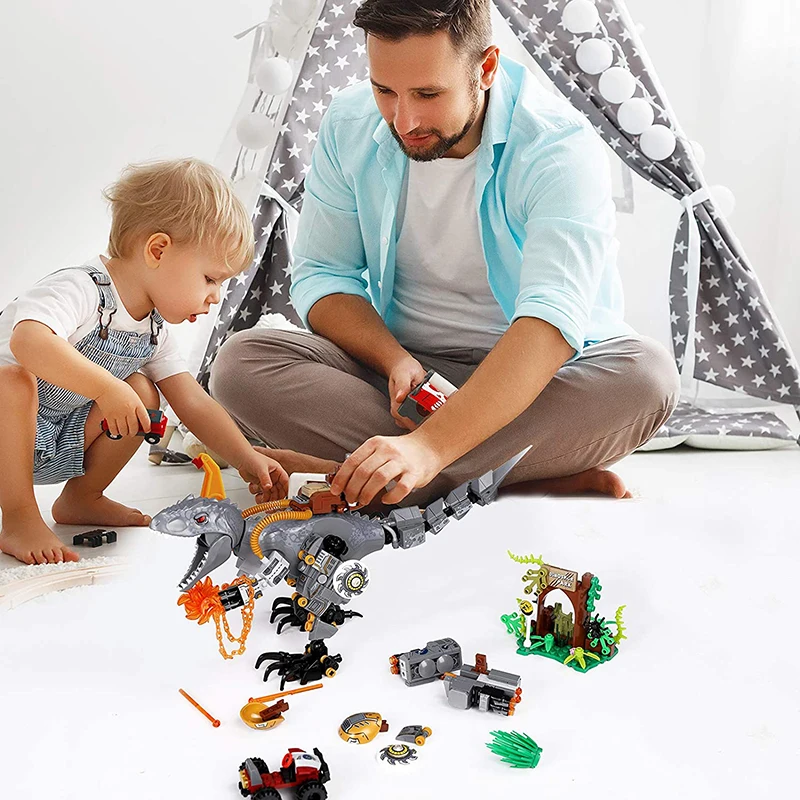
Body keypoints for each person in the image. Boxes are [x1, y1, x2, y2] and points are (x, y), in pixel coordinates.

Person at [210, 0, 680, 510]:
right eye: (384, 90)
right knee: (241, 363)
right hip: (402, 377)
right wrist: (394, 360)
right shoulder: (349, 122)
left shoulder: (557, 147)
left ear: (486, 68)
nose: (404, 119)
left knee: (647, 376)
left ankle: (399, 473)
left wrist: (429, 448)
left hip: (535, 380)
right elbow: (324, 276)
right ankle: (505, 475)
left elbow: (550, 320)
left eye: (428, 94)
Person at [0, 159, 288, 566]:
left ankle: (82, 497)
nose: (215, 297)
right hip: (7, 434)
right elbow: (28, 340)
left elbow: (194, 402)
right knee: (11, 381)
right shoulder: (80, 288)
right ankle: (18, 516)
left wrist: (247, 457)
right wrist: (106, 387)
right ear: (158, 250)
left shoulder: (153, 332)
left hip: (52, 441)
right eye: (210, 279)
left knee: (143, 392)